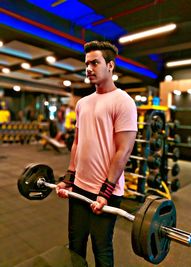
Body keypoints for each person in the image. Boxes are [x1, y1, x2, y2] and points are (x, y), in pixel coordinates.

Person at [56, 40, 138, 267]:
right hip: (80, 187)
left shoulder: (124, 102)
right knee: (75, 243)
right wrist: (69, 178)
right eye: (86, 63)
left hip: (106, 190)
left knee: (101, 247)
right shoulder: (82, 103)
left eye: (95, 62)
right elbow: (77, 143)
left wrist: (106, 192)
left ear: (110, 66)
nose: (89, 68)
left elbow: (124, 150)